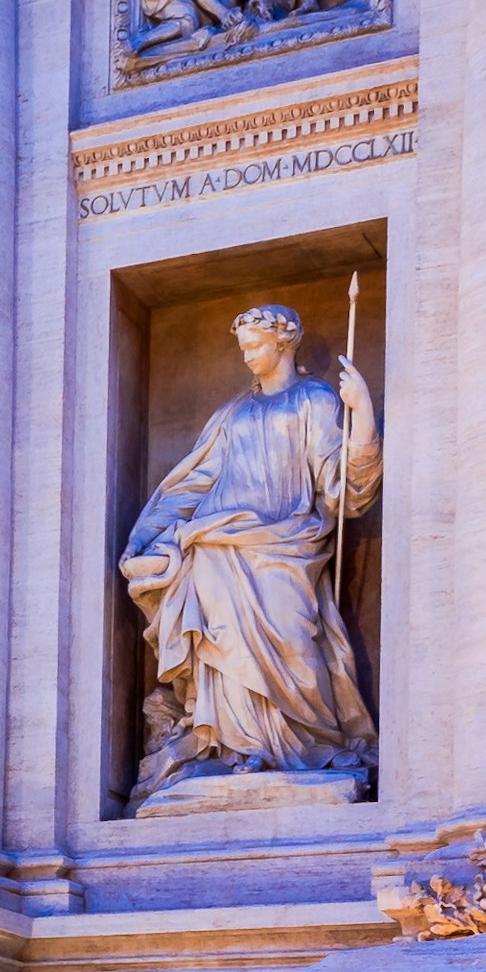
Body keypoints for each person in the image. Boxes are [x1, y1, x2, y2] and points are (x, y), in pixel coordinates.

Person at [120, 303, 383, 797]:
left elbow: (343, 488)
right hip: (218, 545)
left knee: (294, 641)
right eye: (242, 348)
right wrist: (147, 535)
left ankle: (306, 745)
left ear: (283, 344)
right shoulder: (234, 412)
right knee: (222, 644)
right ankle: (238, 747)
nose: (246, 357)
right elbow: (196, 481)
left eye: (255, 346)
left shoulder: (314, 400)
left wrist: (362, 412)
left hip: (287, 543)